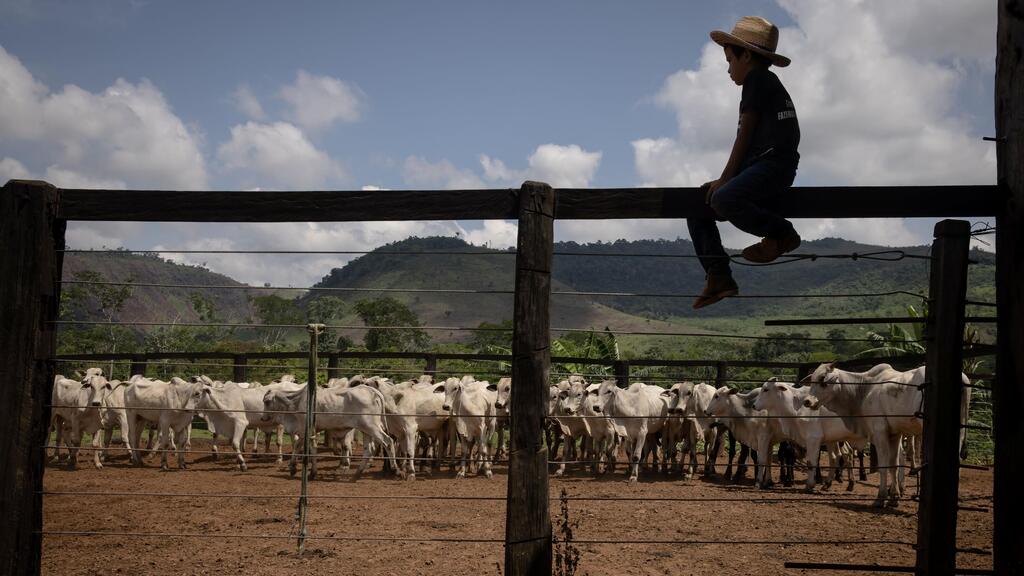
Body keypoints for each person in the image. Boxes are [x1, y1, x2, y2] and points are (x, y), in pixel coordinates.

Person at [688, 16, 801, 309]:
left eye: (729, 60)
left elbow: (744, 136)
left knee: (723, 198)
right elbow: (750, 143)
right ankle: (718, 276)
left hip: (773, 167)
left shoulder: (756, 80)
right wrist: (725, 180)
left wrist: (725, 180)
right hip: (764, 166)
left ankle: (781, 233)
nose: (728, 69)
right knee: (697, 202)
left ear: (746, 56)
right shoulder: (765, 82)